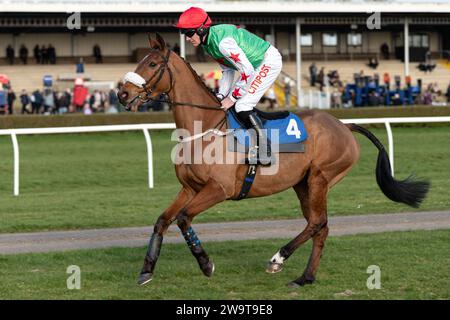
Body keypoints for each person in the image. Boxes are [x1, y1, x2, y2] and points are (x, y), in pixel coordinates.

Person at [175, 7, 282, 164]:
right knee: (230, 103)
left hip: (267, 61)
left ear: (202, 29)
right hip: (253, 66)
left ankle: (265, 151)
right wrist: (220, 95)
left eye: (189, 33)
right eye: (184, 34)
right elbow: (228, 71)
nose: (187, 38)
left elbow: (247, 71)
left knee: (242, 105)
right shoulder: (208, 43)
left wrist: (231, 97)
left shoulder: (223, 44)